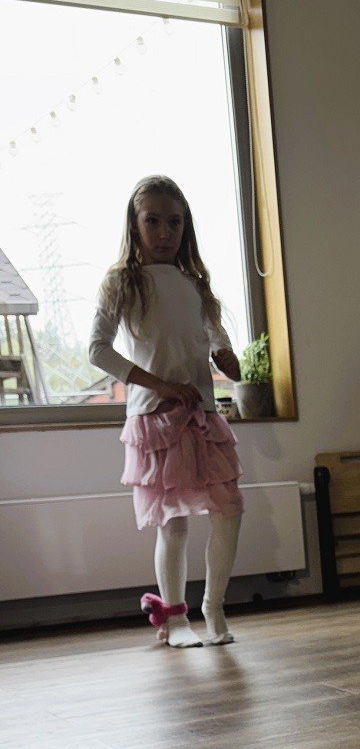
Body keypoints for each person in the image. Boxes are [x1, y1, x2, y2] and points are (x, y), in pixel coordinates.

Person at [89, 174, 244, 646]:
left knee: (230, 509)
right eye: (152, 221)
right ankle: (175, 620)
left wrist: (227, 358)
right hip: (155, 417)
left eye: (174, 222)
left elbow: (217, 341)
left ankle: (214, 607)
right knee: (172, 523)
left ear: (185, 227)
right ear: (134, 226)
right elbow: (98, 350)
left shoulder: (195, 283)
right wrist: (160, 385)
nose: (164, 232)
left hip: (202, 416)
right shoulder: (122, 281)